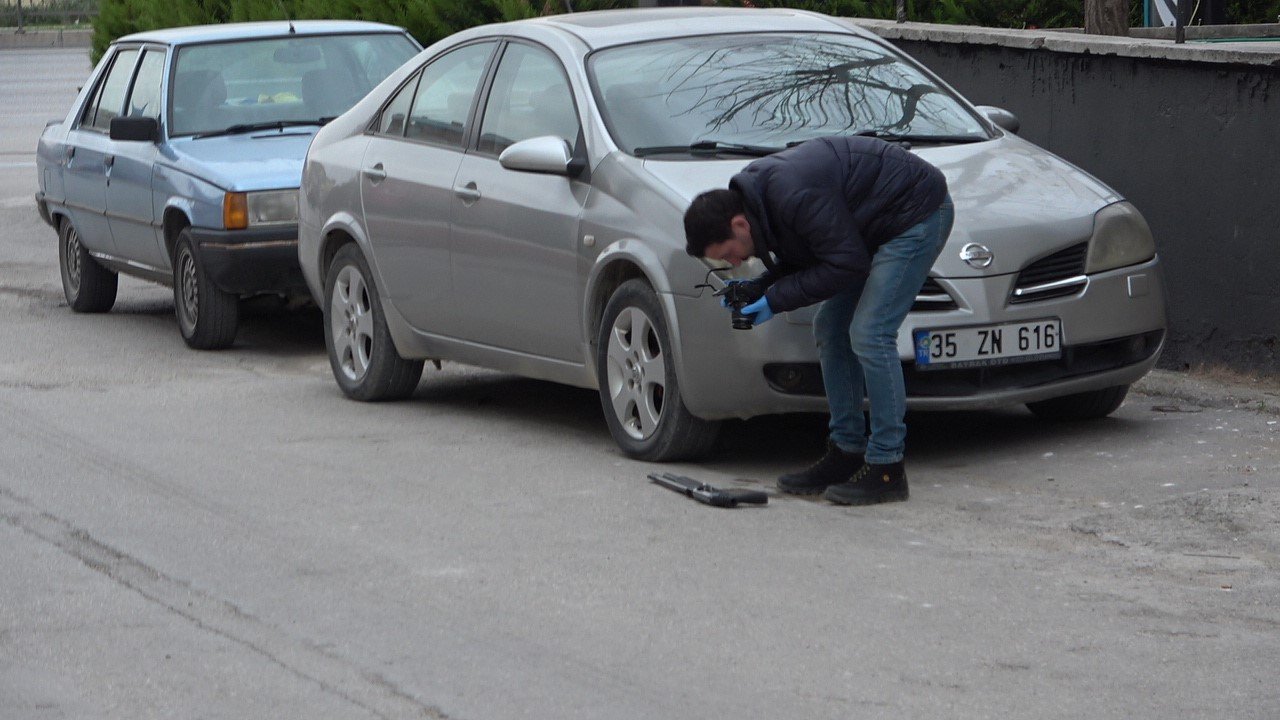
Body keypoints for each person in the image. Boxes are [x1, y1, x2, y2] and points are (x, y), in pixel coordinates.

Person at [683, 135, 953, 506]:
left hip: (916, 214)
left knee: (870, 333)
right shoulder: (761, 201)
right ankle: (847, 451)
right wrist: (762, 286)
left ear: (739, 224)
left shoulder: (792, 194)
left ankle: (887, 465)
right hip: (867, 228)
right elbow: (810, 248)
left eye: (728, 254)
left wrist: (773, 300)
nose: (731, 263)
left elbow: (845, 263)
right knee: (829, 328)